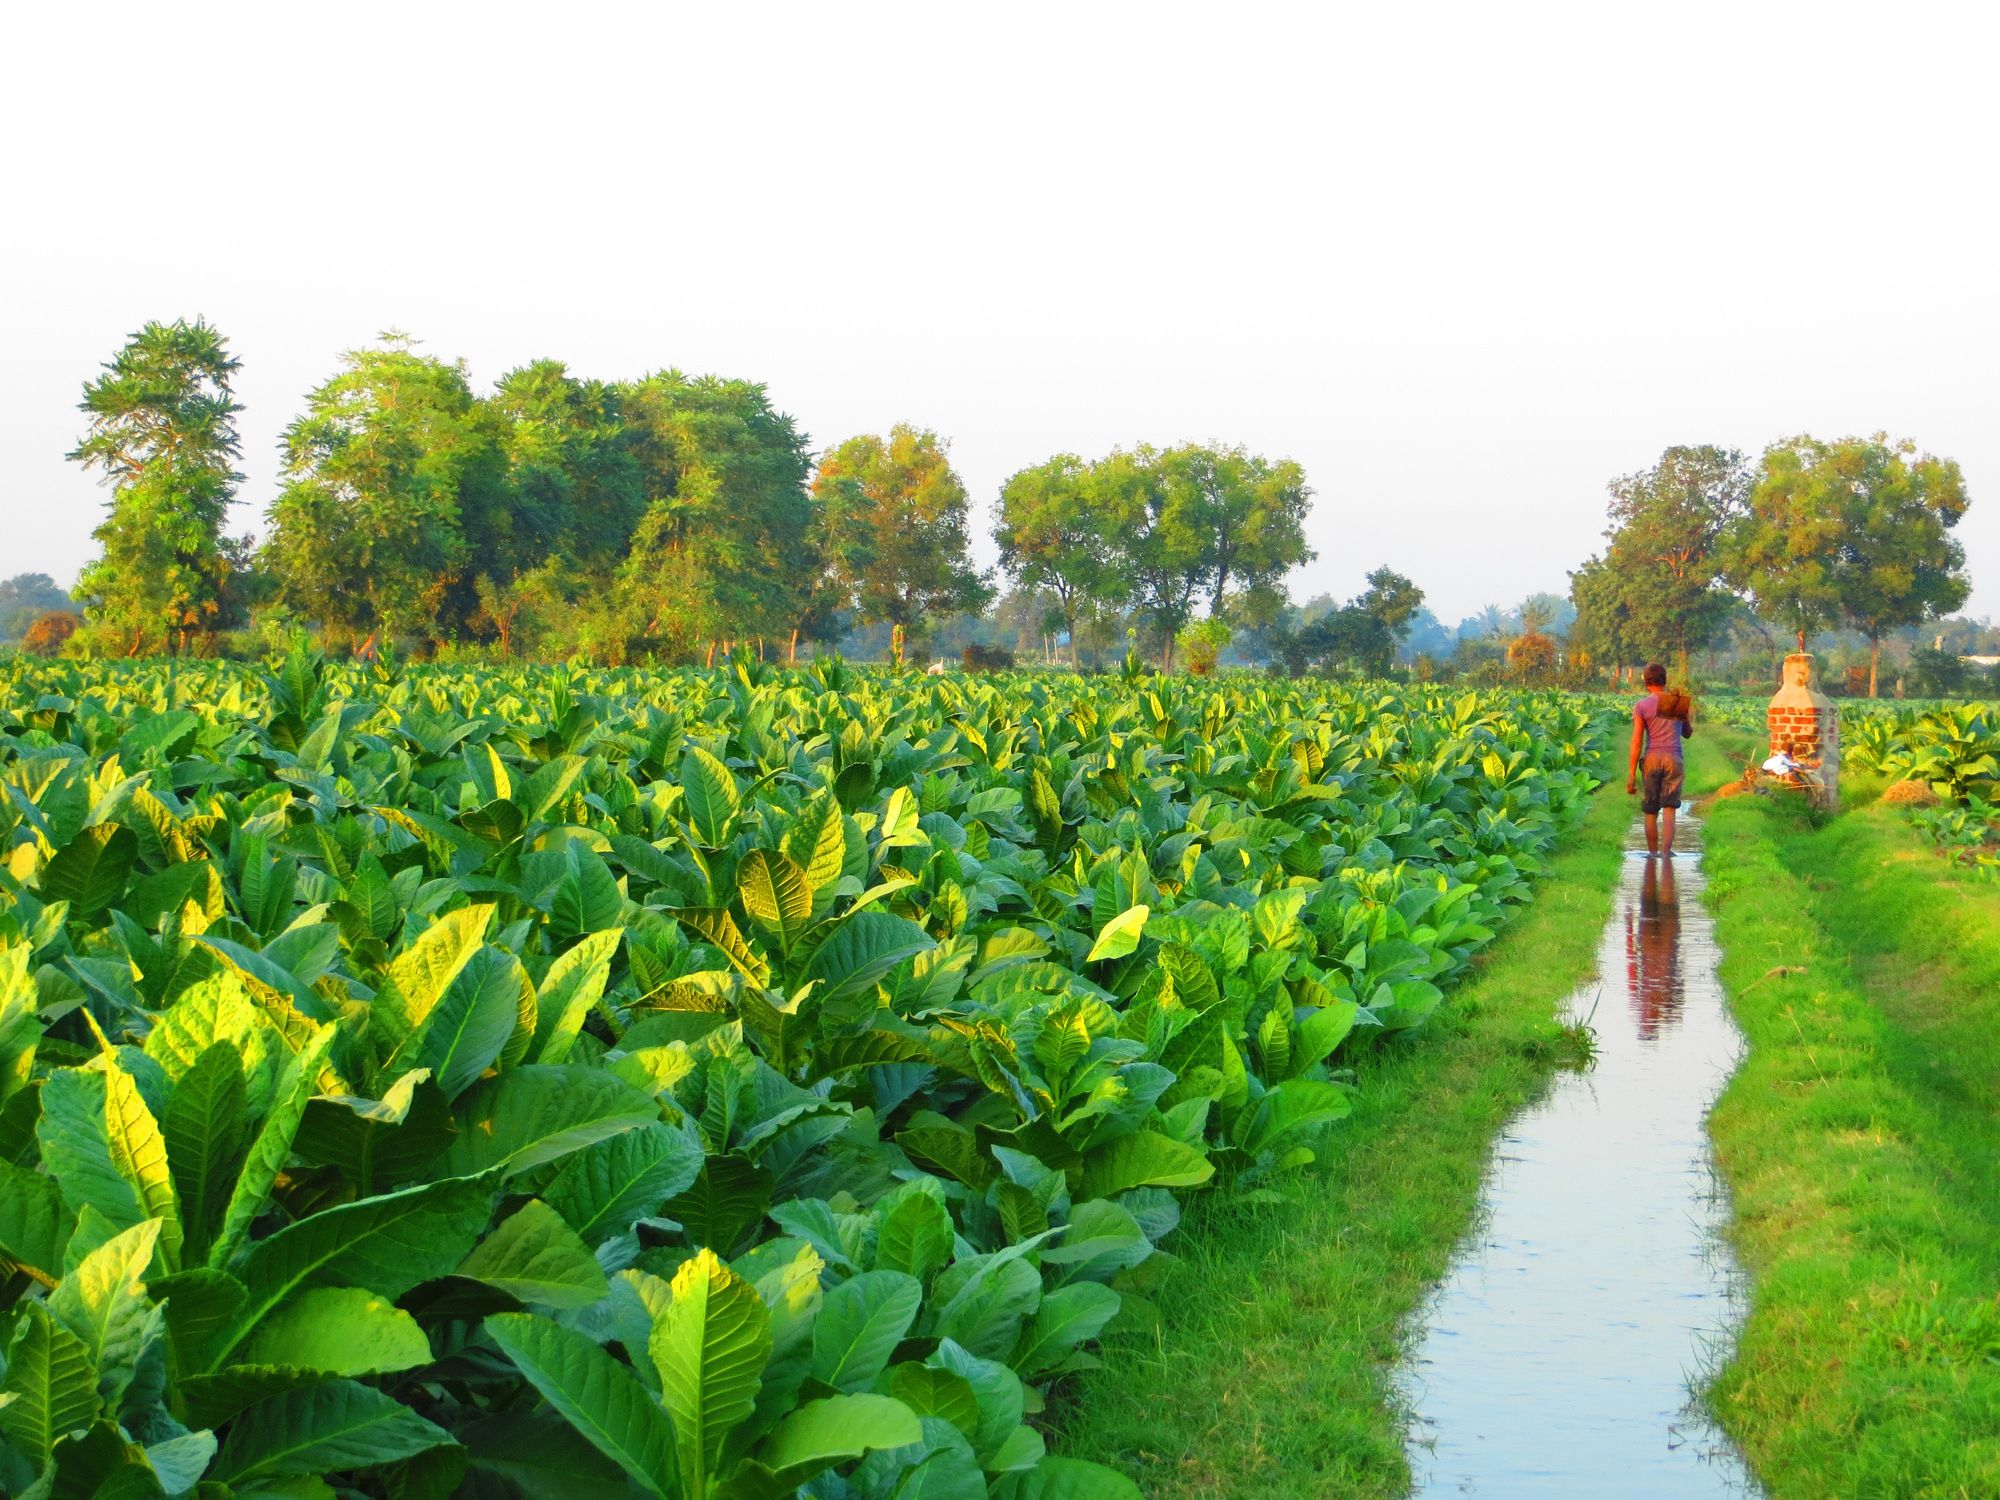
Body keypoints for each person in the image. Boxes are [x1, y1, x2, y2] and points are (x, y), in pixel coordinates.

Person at [1626, 662, 1694, 857]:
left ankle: (1652, 855)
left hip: (1651, 760)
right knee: (1670, 809)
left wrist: (1631, 774)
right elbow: (1687, 734)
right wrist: (1684, 715)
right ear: (1665, 681)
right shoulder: (1676, 703)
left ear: (1647, 683)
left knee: (1650, 810)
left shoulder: (1641, 706)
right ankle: (1666, 855)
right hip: (1674, 759)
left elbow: (1637, 741)